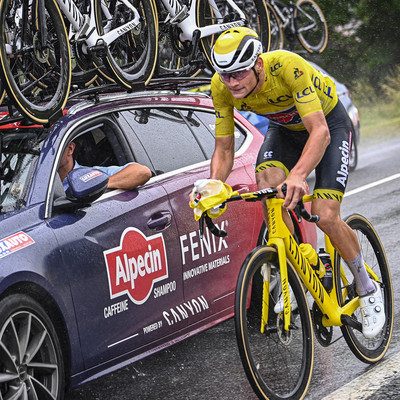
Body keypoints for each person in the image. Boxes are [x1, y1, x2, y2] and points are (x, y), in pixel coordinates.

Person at [207, 27, 384, 338]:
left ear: (258, 65)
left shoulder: (288, 66)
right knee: (267, 184)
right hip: (285, 131)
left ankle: (368, 288)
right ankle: (299, 269)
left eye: (238, 73)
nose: (231, 82)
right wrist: (212, 189)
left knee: (325, 214)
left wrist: (299, 174)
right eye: (224, 75)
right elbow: (223, 149)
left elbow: (320, 132)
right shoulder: (222, 88)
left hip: (327, 124)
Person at [58, 141, 152, 191]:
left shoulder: (93, 174)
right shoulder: (43, 181)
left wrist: (95, 185)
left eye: (53, 151)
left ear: (70, 149)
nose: (43, 154)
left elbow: (142, 172)